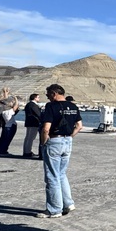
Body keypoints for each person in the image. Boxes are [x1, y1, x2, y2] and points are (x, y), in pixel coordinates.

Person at [37, 84, 82, 218]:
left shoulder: (51, 106)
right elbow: (79, 126)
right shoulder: (73, 106)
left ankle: (54, 209)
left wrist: (43, 142)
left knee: (52, 176)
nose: (47, 97)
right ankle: (68, 203)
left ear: (54, 93)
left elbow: (46, 128)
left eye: (48, 94)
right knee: (61, 174)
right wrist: (70, 137)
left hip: (54, 140)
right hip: (67, 141)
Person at [22, 93, 42, 159]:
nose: (39, 98)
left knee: (28, 138)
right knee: (30, 138)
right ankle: (27, 152)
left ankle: (26, 151)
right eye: (38, 97)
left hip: (29, 123)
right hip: (33, 123)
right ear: (35, 98)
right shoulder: (33, 105)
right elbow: (38, 114)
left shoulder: (29, 104)